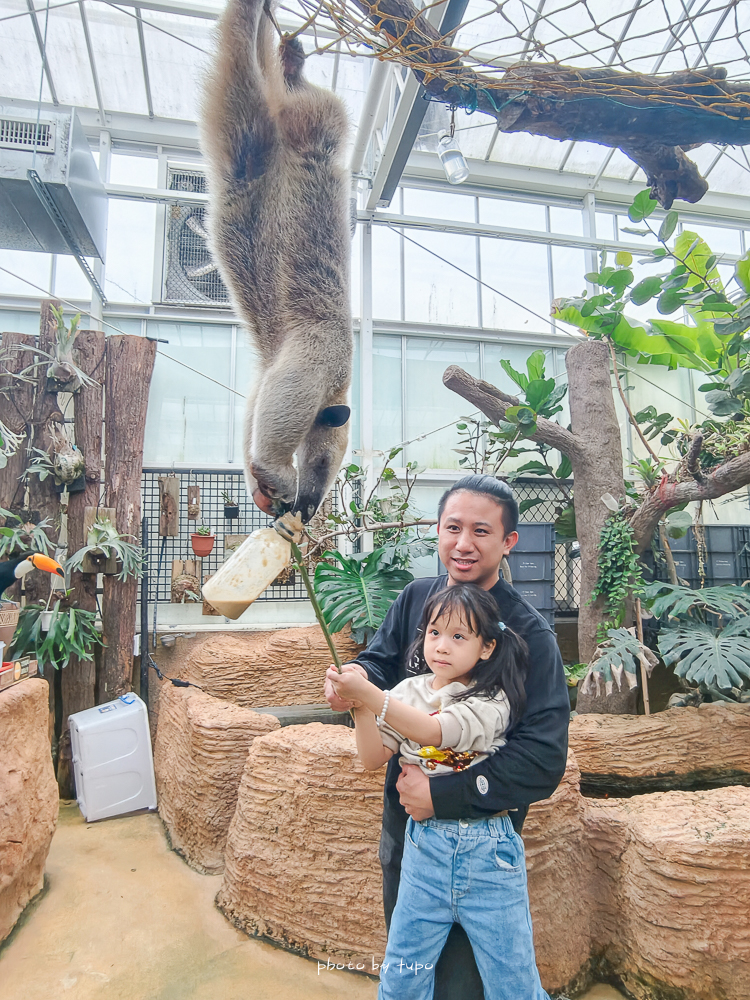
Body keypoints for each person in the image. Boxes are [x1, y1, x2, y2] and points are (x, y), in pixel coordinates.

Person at [324, 474, 570, 999]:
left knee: (468, 984)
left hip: (481, 838)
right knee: (410, 973)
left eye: (481, 531)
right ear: (437, 530)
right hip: (409, 837)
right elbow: (380, 664)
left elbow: (542, 757)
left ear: (508, 543)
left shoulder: (530, 636)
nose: (462, 543)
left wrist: (442, 795)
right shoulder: (417, 598)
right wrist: (356, 679)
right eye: (452, 527)